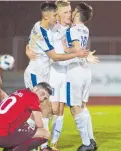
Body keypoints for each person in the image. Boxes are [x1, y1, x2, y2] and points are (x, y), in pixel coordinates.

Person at [24, 2, 89, 150]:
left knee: (56, 109)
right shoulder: (50, 28)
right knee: (42, 108)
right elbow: (51, 54)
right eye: (65, 12)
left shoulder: (71, 29)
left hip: (59, 72)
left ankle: (47, 143)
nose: (69, 15)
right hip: (46, 71)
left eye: (70, 12)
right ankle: (34, 142)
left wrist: (83, 54)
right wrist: (27, 49)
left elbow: (34, 41)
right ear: (56, 14)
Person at [63, 2, 99, 151]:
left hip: (75, 71)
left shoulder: (73, 30)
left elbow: (77, 49)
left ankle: (86, 144)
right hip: (85, 70)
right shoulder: (85, 29)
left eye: (73, 11)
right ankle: (91, 140)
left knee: (74, 107)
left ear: (77, 14)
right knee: (83, 107)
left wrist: (65, 49)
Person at [0, 82, 53, 151]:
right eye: (42, 94)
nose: (42, 99)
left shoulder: (19, 92)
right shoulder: (33, 96)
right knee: (45, 134)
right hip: (3, 135)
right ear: (35, 88)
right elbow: (40, 125)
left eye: (45, 98)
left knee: (24, 132)